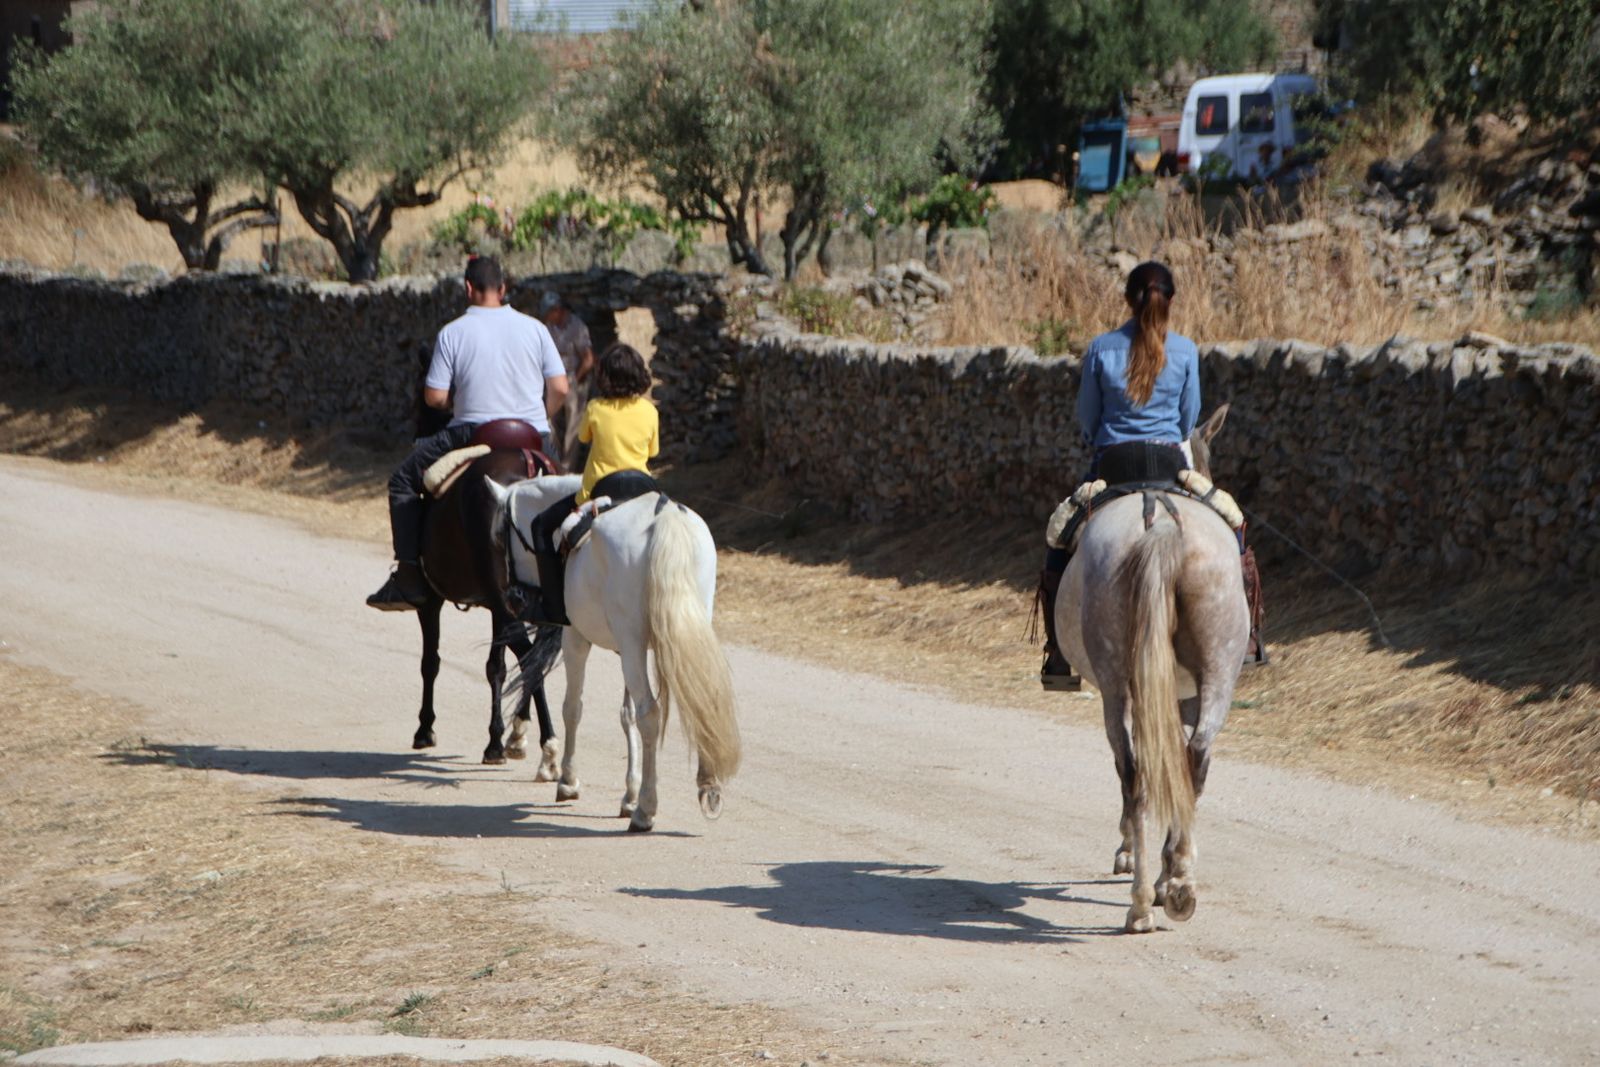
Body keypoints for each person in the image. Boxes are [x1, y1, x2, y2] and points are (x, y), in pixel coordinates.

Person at [366, 256, 569, 610]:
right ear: (503, 289)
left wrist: (455, 403)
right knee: (568, 496)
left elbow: (434, 396)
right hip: (532, 435)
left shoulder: (453, 332)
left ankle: (410, 575)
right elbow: (561, 388)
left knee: (401, 482)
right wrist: (540, 418)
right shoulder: (535, 328)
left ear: (468, 288)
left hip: (474, 433)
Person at [1039, 260, 1199, 689]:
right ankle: (1252, 635)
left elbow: (1088, 419)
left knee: (1059, 538)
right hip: (1170, 467)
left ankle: (1056, 651)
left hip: (1112, 468)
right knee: (1234, 527)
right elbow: (1188, 423)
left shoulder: (1100, 349)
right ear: (1171, 301)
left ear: (1128, 300)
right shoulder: (1185, 350)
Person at [524, 343, 658, 625]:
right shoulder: (650, 411)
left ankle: (553, 607)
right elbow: (652, 452)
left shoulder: (596, 408)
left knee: (541, 526)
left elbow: (583, 438)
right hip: (644, 490)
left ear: (604, 377)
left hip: (600, 492)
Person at [539, 290, 596, 468]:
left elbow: (588, 359)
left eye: (549, 312)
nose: (547, 316)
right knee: (548, 421)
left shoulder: (577, 327)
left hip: (573, 378)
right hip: (553, 379)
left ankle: (567, 466)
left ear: (558, 310)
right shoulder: (547, 328)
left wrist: (576, 380)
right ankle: (553, 461)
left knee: (574, 424)